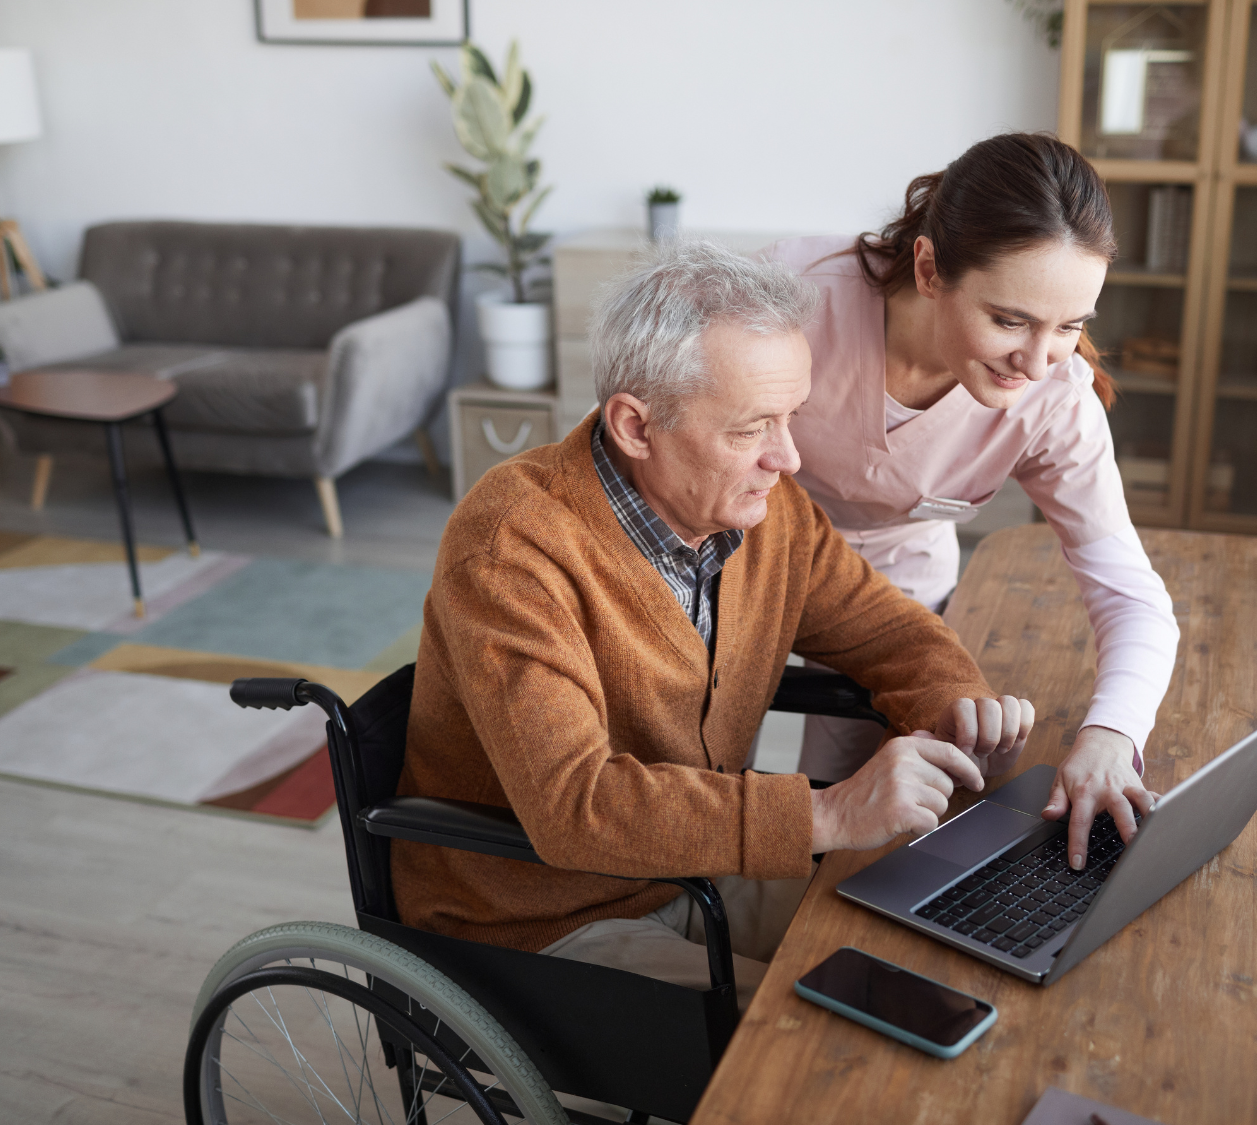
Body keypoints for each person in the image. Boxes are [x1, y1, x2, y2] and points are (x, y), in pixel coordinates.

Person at [390, 241, 1035, 1007]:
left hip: (694, 870)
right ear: (636, 425)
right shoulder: (511, 545)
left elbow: (882, 627)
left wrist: (957, 700)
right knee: (826, 1028)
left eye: (792, 417)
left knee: (941, 935)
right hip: (541, 916)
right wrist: (826, 812)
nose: (788, 457)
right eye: (751, 428)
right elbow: (575, 806)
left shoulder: (766, 513)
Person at [760, 132, 1180, 873]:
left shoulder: (1053, 400)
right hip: (745, 563)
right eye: (1011, 319)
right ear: (928, 268)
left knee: (867, 826)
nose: (1038, 359)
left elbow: (1130, 593)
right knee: (720, 785)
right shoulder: (789, 303)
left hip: (895, 595)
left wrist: (1113, 733)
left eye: (1071, 325)